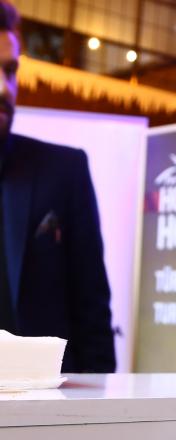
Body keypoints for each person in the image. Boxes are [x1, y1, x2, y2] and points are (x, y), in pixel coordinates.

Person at [0, 1, 115, 372]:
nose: (4, 87)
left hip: (47, 413)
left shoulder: (63, 171)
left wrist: (98, 419)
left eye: (10, 70)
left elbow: (93, 314)